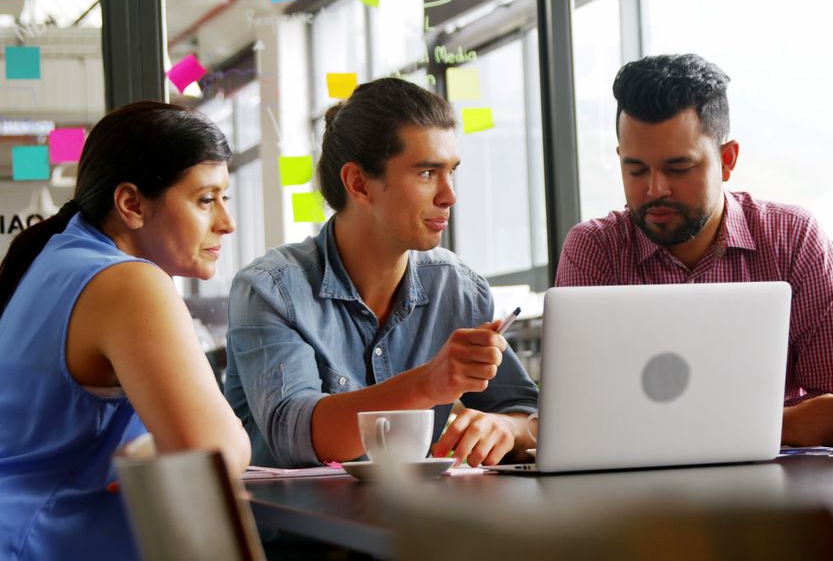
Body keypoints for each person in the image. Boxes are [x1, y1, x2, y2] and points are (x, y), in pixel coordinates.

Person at [556, 54, 833, 446]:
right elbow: (583, 420)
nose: (655, 189)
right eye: (636, 170)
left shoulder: (793, 239)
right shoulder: (594, 250)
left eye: (678, 168)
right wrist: (781, 425)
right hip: (638, 497)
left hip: (780, 494)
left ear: (727, 160)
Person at [225, 78, 539, 469]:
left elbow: (528, 415)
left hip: (416, 522)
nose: (449, 196)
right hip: (299, 527)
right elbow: (295, 434)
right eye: (427, 173)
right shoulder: (270, 289)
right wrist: (428, 383)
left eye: (451, 172)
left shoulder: (457, 288)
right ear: (359, 184)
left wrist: (504, 427)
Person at [0, 101, 251, 560]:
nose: (226, 222)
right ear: (131, 203)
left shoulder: (57, 259)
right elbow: (213, 456)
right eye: (205, 199)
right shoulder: (127, 281)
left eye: (225, 197)